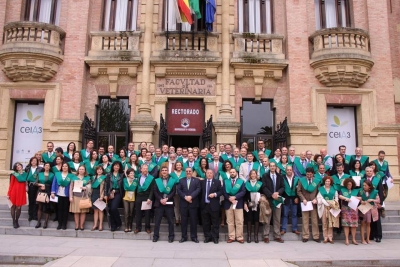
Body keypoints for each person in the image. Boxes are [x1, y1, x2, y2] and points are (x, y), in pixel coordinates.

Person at [261, 162, 285, 243]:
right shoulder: (265, 176)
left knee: (277, 218)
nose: (272, 167)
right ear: (269, 167)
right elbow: (263, 187)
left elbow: (283, 187)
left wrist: (277, 193)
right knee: (267, 218)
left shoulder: (280, 176)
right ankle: (266, 236)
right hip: (268, 199)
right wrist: (271, 195)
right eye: (270, 166)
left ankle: (277, 235)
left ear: (275, 167)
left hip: (277, 200)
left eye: (273, 166)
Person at [177, 167, 201, 243]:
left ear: (192, 172)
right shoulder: (181, 180)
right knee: (183, 221)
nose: (188, 172)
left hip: (193, 203)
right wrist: (185, 197)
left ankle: (194, 237)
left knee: (193, 221)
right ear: (185, 172)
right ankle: (184, 237)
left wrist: (191, 196)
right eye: (187, 171)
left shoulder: (196, 180)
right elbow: (179, 190)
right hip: (183, 204)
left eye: (189, 171)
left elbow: (198, 189)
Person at [153, 166, 176, 243]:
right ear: (161, 172)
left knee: (171, 221)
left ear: (168, 172)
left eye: (166, 170)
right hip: (159, 203)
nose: (164, 171)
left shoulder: (172, 181)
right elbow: (155, 191)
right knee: (157, 221)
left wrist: (167, 198)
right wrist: (160, 199)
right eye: (163, 170)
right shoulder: (157, 181)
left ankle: (171, 236)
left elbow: (173, 191)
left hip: (169, 203)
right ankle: (155, 236)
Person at [297, 167, 321, 243]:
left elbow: (319, 192)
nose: (309, 176)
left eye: (310, 174)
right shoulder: (301, 180)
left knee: (314, 220)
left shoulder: (316, 181)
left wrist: (316, 199)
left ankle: (316, 236)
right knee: (305, 220)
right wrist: (303, 199)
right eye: (307, 174)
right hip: (305, 203)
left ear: (313, 174)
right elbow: (299, 191)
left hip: (313, 202)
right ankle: (305, 236)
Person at [223, 168, 246, 243]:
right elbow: (224, 192)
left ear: (236, 173)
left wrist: (235, 197)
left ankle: (239, 237)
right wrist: (229, 198)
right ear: (229, 173)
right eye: (231, 172)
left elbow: (243, 192)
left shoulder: (241, 182)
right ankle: (231, 237)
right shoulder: (226, 181)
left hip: (238, 203)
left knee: (239, 221)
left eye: (233, 172)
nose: (232, 173)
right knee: (230, 221)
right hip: (228, 203)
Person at [201, 169, 223, 244]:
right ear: (205, 174)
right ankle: (207, 237)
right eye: (208, 173)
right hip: (205, 205)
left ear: (213, 174)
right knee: (205, 222)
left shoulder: (217, 182)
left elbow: (221, 191)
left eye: (211, 173)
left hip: (214, 205)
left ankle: (215, 237)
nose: (209, 174)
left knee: (215, 222)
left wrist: (215, 194)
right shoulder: (202, 182)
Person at [51, 162, 74, 230]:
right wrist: (53, 192)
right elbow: (54, 183)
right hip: (58, 194)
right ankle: (59, 224)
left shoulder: (71, 175)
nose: (64, 167)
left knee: (65, 210)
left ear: (68, 167)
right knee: (59, 209)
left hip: (66, 195)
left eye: (66, 166)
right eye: (63, 166)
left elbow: (71, 186)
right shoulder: (57, 174)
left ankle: (64, 224)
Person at [317, 176, 339, 244]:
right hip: (324, 207)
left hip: (331, 207)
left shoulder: (333, 189)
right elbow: (319, 198)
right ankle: (325, 237)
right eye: (326, 181)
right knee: (324, 223)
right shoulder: (321, 189)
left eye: (329, 181)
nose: (327, 182)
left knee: (330, 223)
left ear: (330, 182)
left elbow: (336, 197)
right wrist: (325, 202)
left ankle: (330, 237)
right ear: (324, 182)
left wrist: (333, 202)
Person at [339, 178, 360, 245]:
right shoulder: (342, 190)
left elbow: (360, 198)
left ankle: (353, 239)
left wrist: (355, 198)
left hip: (353, 209)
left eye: (350, 184)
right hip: (345, 208)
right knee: (346, 224)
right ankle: (347, 239)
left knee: (354, 225)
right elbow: (340, 196)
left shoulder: (356, 191)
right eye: (348, 184)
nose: (349, 185)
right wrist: (346, 198)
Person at [104, 161, 125, 232]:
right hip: (110, 193)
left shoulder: (122, 175)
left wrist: (115, 191)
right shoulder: (109, 175)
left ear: (120, 167)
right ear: (113, 166)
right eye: (115, 166)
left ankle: (119, 222)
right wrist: (105, 194)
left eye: (118, 166)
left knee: (113, 208)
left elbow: (122, 186)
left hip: (118, 193)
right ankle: (113, 225)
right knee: (110, 209)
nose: (116, 167)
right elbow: (106, 185)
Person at [69, 165, 91, 230]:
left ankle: (81, 225)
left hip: (83, 196)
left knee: (83, 212)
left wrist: (86, 187)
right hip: (75, 196)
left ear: (85, 171)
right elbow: (71, 188)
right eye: (80, 169)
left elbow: (90, 186)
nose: (81, 170)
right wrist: (71, 196)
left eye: (82, 169)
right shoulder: (74, 178)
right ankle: (76, 225)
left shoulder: (87, 178)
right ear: (78, 170)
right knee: (76, 212)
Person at [134, 164, 154, 234]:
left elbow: (152, 189)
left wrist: (150, 198)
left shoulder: (151, 178)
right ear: (141, 169)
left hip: (147, 196)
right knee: (138, 213)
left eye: (146, 169)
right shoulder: (138, 176)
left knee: (147, 213)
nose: (145, 170)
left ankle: (147, 228)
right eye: (144, 168)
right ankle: (138, 228)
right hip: (139, 196)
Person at [359, 180, 380, 244]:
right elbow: (358, 198)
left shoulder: (375, 192)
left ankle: (368, 238)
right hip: (363, 208)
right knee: (362, 224)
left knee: (368, 223)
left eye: (365, 185)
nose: (364, 187)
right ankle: (362, 239)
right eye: (363, 185)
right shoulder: (361, 191)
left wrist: (372, 200)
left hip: (371, 209)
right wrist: (361, 201)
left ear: (369, 186)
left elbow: (378, 200)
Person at [244, 170, 262, 243]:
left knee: (256, 219)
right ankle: (249, 236)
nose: (253, 175)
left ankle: (256, 236)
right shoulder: (247, 184)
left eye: (254, 174)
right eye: (252, 174)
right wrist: (245, 203)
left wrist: (260, 198)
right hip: (249, 203)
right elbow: (245, 194)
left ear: (256, 175)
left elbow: (262, 193)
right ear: (250, 175)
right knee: (249, 218)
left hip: (257, 203)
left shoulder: (260, 184)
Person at [7, 162, 27, 228]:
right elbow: (11, 184)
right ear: (15, 168)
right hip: (14, 191)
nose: (18, 166)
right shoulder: (14, 175)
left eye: (19, 165)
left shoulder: (25, 174)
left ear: (21, 166)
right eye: (16, 166)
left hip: (21, 192)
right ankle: (14, 221)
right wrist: (8, 193)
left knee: (19, 207)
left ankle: (17, 220)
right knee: (13, 207)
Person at [281, 165, 300, 235]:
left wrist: (297, 197)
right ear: (286, 171)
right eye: (288, 170)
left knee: (294, 214)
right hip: (286, 198)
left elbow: (299, 189)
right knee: (285, 214)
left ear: (292, 170)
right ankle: (283, 229)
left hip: (294, 198)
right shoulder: (282, 178)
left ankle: (295, 229)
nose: (289, 171)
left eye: (290, 170)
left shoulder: (296, 178)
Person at [35, 163, 54, 229]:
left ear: (50, 167)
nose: (47, 167)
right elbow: (35, 183)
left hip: (48, 191)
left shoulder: (52, 175)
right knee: (40, 207)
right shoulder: (40, 174)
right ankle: (38, 222)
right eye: (46, 165)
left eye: (48, 166)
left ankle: (45, 222)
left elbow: (53, 184)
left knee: (47, 207)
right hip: (40, 191)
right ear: (44, 166)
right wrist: (40, 185)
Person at [26, 156, 42, 221]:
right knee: (31, 201)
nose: (34, 162)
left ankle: (35, 215)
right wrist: (26, 186)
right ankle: (30, 215)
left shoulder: (40, 169)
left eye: (35, 161)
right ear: (30, 162)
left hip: (37, 186)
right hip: (30, 186)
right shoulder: (27, 168)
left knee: (36, 201)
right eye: (32, 161)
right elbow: (25, 177)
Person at [170, 161, 185, 226]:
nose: (178, 166)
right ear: (175, 166)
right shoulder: (172, 174)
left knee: (183, 205)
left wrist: (177, 181)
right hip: (175, 191)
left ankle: (182, 218)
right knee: (176, 205)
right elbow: (171, 182)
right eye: (177, 165)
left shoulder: (185, 173)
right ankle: (177, 218)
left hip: (184, 191)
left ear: (182, 166)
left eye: (180, 165)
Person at [91, 166, 106, 231]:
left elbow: (105, 188)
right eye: (98, 170)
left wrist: (102, 196)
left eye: (100, 169)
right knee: (95, 211)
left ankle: (100, 225)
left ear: (102, 171)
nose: (99, 171)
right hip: (94, 194)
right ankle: (95, 224)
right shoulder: (93, 177)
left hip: (100, 194)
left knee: (100, 210)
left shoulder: (104, 178)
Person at [123, 168, 138, 232]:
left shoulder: (136, 180)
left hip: (133, 198)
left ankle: (130, 226)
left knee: (131, 212)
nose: (132, 174)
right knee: (126, 212)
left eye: (133, 173)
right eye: (131, 173)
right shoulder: (124, 180)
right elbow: (125, 188)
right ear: (128, 174)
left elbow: (135, 189)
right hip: (125, 198)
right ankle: (126, 226)